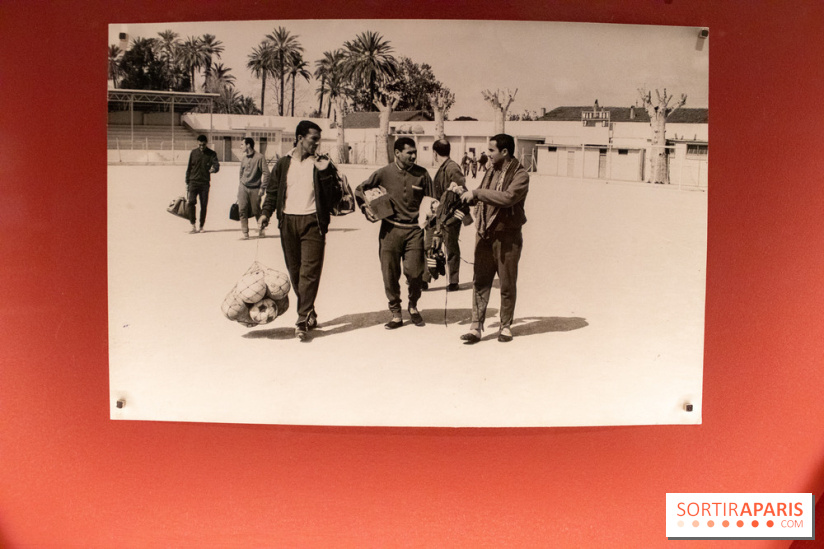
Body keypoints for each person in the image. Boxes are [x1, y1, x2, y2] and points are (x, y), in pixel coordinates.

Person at [259, 121, 342, 341]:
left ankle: (302, 318)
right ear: (300, 138)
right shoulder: (283, 164)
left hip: (313, 223)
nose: (317, 143)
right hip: (287, 222)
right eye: (313, 138)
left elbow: (333, 197)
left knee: (309, 273)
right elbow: (273, 192)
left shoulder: (322, 164)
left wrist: (325, 173)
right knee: (295, 272)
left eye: (318, 139)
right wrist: (266, 214)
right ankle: (309, 309)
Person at [356, 137, 434, 329]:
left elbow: (433, 202)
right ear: (397, 153)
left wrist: (434, 231)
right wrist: (368, 210)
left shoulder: (422, 174)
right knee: (389, 274)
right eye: (409, 153)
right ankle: (396, 312)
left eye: (415, 152)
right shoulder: (384, 173)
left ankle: (413, 305)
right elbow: (360, 190)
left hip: (414, 231)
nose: (413, 156)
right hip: (390, 230)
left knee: (415, 273)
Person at [459, 133, 529, 344]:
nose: (487, 154)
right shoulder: (489, 171)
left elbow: (507, 198)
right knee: (480, 281)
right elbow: (482, 200)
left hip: (507, 237)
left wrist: (477, 193)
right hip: (484, 234)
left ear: (504, 152)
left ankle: (505, 325)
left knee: (507, 283)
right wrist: (462, 194)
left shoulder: (521, 175)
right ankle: (476, 327)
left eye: (491, 150)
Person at [422, 139, 470, 292]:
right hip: (437, 214)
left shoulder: (452, 168)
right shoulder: (445, 167)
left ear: (435, 153)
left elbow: (461, 191)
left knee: (451, 247)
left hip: (450, 216)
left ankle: (453, 281)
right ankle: (425, 279)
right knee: (430, 246)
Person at [185, 134, 220, 233]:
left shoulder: (212, 154)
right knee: (191, 202)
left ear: (206, 143)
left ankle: (201, 225)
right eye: (200, 145)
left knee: (204, 205)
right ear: (197, 143)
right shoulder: (193, 153)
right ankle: (192, 225)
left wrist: (214, 169)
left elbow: (216, 165)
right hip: (193, 182)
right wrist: (187, 182)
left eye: (203, 145)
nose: (201, 147)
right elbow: (189, 168)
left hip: (204, 183)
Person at [237, 137, 270, 239]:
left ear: (248, 145)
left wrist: (262, 188)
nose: (240, 146)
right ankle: (245, 233)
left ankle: (261, 229)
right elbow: (241, 172)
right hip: (243, 187)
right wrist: (241, 186)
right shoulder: (244, 158)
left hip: (255, 188)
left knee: (256, 210)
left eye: (242, 144)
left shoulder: (259, 157)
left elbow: (267, 173)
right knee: (242, 209)